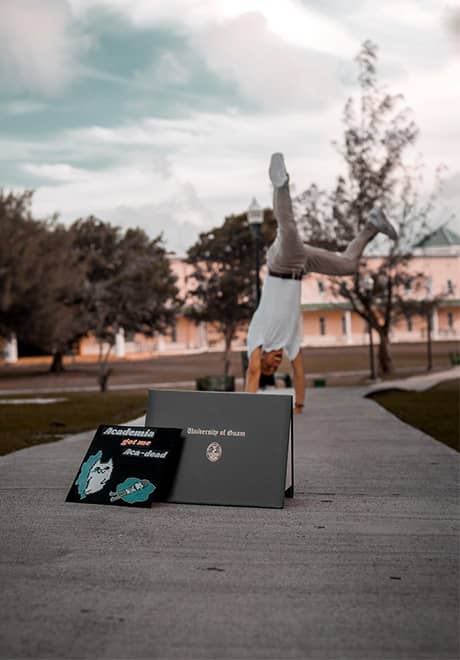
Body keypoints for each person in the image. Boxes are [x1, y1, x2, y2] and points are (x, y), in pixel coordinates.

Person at [245, 153, 398, 413]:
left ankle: (280, 183)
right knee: (348, 265)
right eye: (275, 367)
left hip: (280, 264)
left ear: (262, 356)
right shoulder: (290, 341)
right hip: (301, 265)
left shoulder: (257, 335)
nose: (275, 363)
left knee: (289, 229)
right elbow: (299, 370)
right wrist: (299, 405)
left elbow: (253, 372)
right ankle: (372, 225)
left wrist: (247, 411)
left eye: (270, 364)